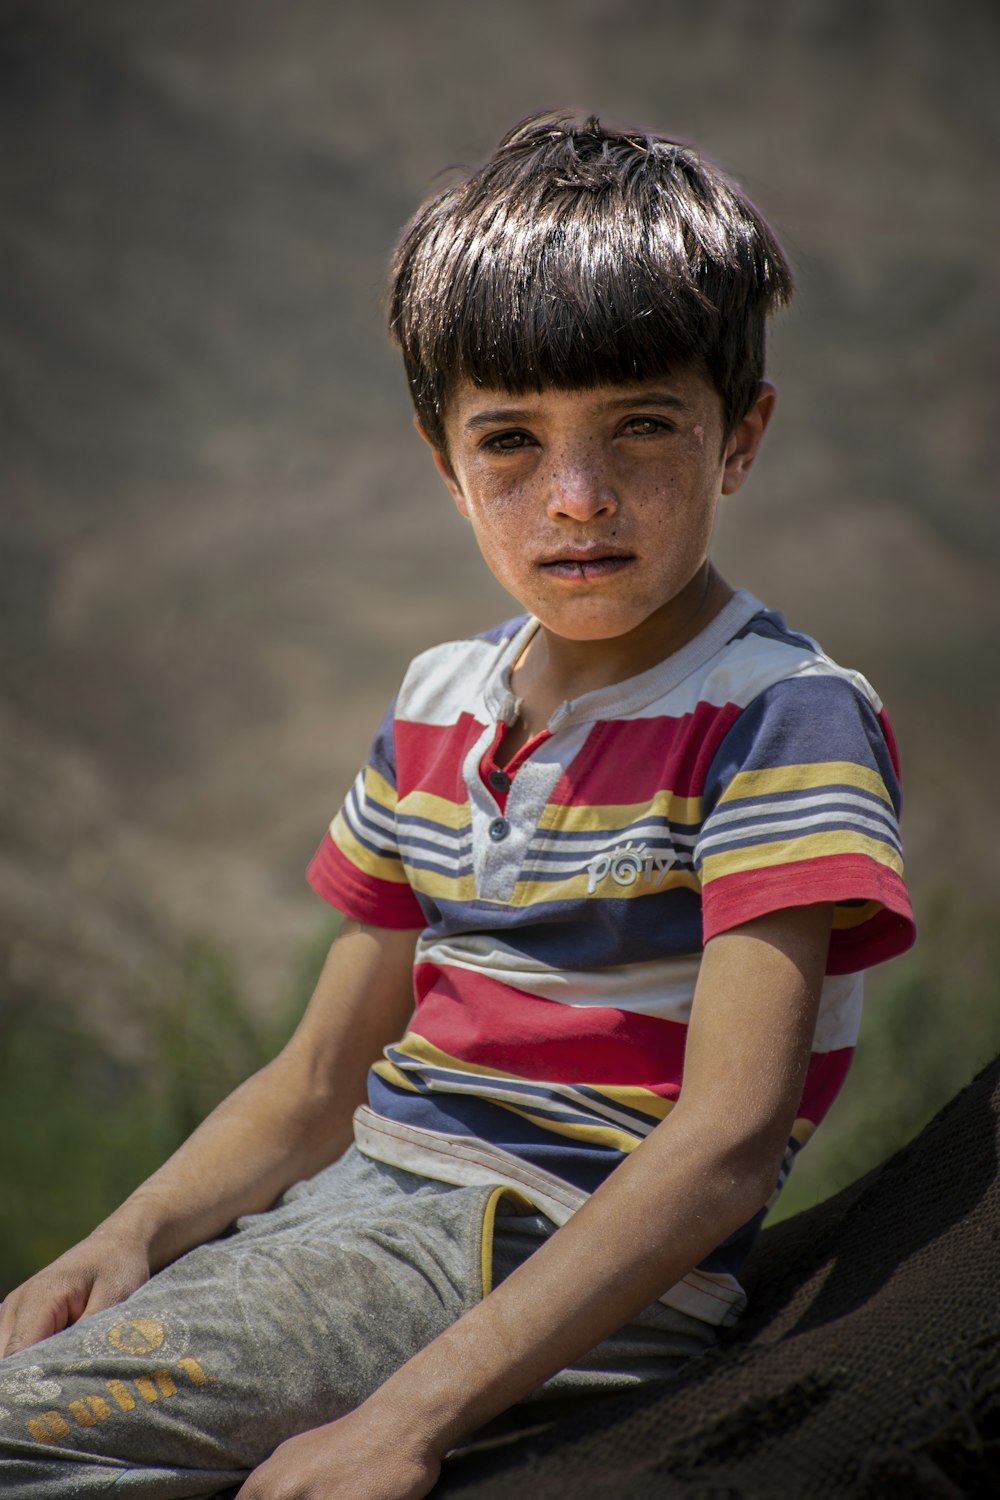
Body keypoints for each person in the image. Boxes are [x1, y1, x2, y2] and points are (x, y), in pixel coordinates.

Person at [0, 112, 915, 1500]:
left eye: (642, 427)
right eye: (510, 442)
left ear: (742, 436)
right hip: (353, 1212)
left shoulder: (781, 716)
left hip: (521, 1246)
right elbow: (318, 1083)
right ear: (442, 460)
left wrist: (402, 1422)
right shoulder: (438, 700)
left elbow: (728, 1144)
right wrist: (124, 1236)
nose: (577, 499)